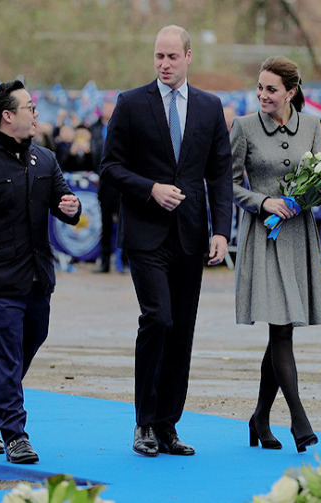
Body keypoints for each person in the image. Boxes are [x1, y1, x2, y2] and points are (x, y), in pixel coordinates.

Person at [100, 25, 233, 457]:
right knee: (157, 318)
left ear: (189, 56)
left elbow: (219, 175)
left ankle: (167, 425)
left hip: (192, 235)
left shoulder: (211, 107)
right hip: (146, 234)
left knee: (182, 331)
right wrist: (150, 187)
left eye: (172, 57)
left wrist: (221, 231)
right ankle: (143, 423)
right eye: (159, 56)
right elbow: (110, 168)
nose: (164, 64)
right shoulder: (131, 103)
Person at [0, 80, 81, 464]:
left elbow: (67, 205)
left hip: (36, 276)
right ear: (7, 116)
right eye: (30, 107)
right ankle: (15, 434)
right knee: (8, 354)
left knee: (27, 345)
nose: (36, 114)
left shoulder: (44, 159)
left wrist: (72, 207)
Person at [231, 56, 321, 454]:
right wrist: (263, 202)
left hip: (297, 236)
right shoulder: (243, 126)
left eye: (271, 89)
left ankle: (260, 417)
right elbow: (227, 185)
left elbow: (318, 183)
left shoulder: (312, 127)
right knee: (279, 327)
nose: (262, 95)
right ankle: (299, 419)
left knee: (282, 328)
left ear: (291, 92)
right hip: (263, 236)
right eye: (259, 87)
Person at [90, 101, 125, 273]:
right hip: (105, 184)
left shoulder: (124, 126)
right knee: (105, 224)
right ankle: (104, 262)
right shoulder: (95, 129)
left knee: (123, 224)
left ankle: (122, 262)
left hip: (121, 185)